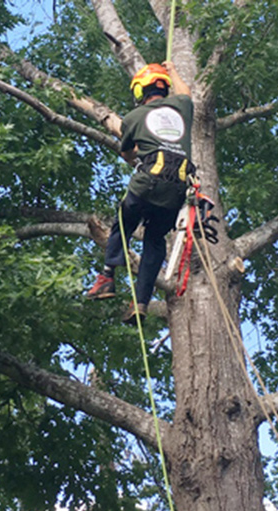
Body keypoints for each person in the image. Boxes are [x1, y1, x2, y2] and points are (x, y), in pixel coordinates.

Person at [86, 60, 195, 324]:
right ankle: (142, 303)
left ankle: (107, 276)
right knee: (155, 241)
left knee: (123, 223)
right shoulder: (181, 109)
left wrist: (141, 152)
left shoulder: (133, 118)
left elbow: (127, 154)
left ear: (140, 92)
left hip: (148, 181)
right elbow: (187, 94)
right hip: (177, 189)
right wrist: (173, 70)